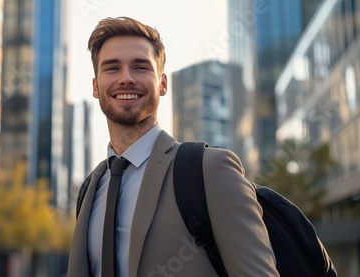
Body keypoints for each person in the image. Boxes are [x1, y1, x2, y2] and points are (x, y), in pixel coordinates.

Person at [67, 16, 279, 277]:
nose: (126, 78)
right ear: (96, 87)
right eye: (112, 68)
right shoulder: (90, 187)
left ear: (163, 84)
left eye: (141, 67)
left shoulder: (210, 171)